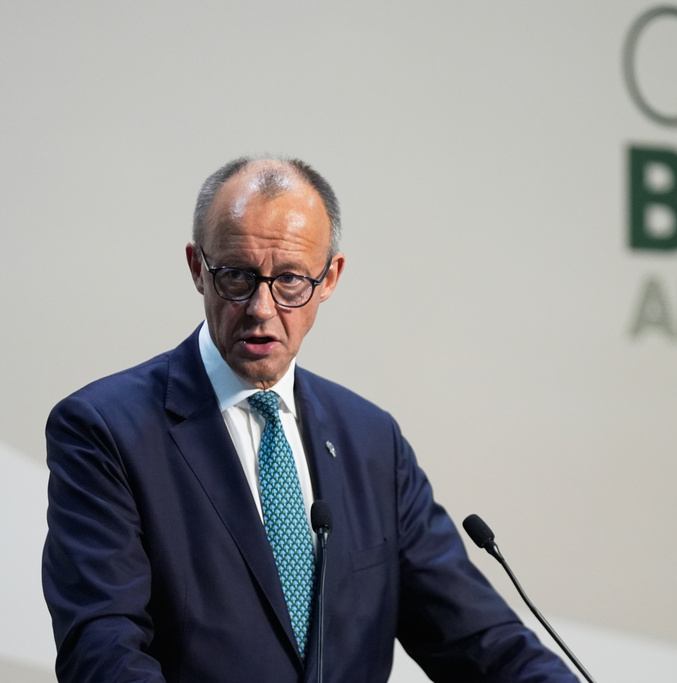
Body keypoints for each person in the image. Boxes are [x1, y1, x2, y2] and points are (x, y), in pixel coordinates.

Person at [42, 157, 578, 683]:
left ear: (330, 277)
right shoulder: (105, 431)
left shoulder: (372, 442)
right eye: (236, 276)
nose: (261, 307)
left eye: (292, 280)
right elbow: (103, 649)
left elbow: (478, 641)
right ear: (196, 269)